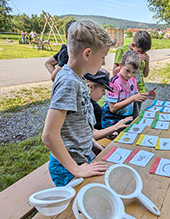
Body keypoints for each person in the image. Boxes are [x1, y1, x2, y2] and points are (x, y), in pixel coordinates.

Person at [42, 20, 113, 187]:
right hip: (68, 167)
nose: (103, 63)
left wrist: (93, 145)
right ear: (87, 54)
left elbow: (77, 124)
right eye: (103, 57)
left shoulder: (78, 78)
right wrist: (77, 170)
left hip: (82, 157)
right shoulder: (68, 82)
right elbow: (49, 135)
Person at [102, 50, 148, 129]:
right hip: (111, 120)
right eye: (127, 71)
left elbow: (135, 96)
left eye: (134, 72)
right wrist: (132, 98)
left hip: (126, 117)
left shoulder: (132, 80)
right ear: (120, 65)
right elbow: (112, 108)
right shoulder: (114, 83)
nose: (130, 75)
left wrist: (144, 96)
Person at [83, 70, 133, 140]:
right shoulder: (81, 106)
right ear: (91, 87)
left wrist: (105, 133)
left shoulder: (88, 103)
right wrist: (115, 127)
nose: (104, 94)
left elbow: (89, 132)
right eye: (103, 90)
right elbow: (85, 135)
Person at [113, 30, 151, 117]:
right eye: (140, 52)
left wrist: (147, 62)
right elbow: (115, 71)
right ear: (133, 45)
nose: (143, 54)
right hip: (126, 91)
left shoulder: (143, 54)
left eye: (145, 52)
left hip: (139, 90)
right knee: (124, 117)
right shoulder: (122, 50)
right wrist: (133, 61)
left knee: (135, 116)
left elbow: (145, 74)